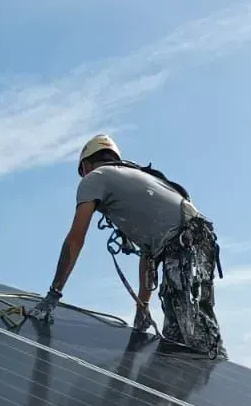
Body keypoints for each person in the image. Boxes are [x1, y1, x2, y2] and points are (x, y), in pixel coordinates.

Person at [27, 133, 226, 358]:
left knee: (195, 336)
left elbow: (75, 239)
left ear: (85, 165)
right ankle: (206, 370)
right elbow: (148, 253)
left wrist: (54, 294)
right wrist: (143, 307)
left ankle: (217, 367)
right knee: (177, 339)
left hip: (184, 246)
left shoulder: (94, 178)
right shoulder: (137, 179)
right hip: (192, 242)